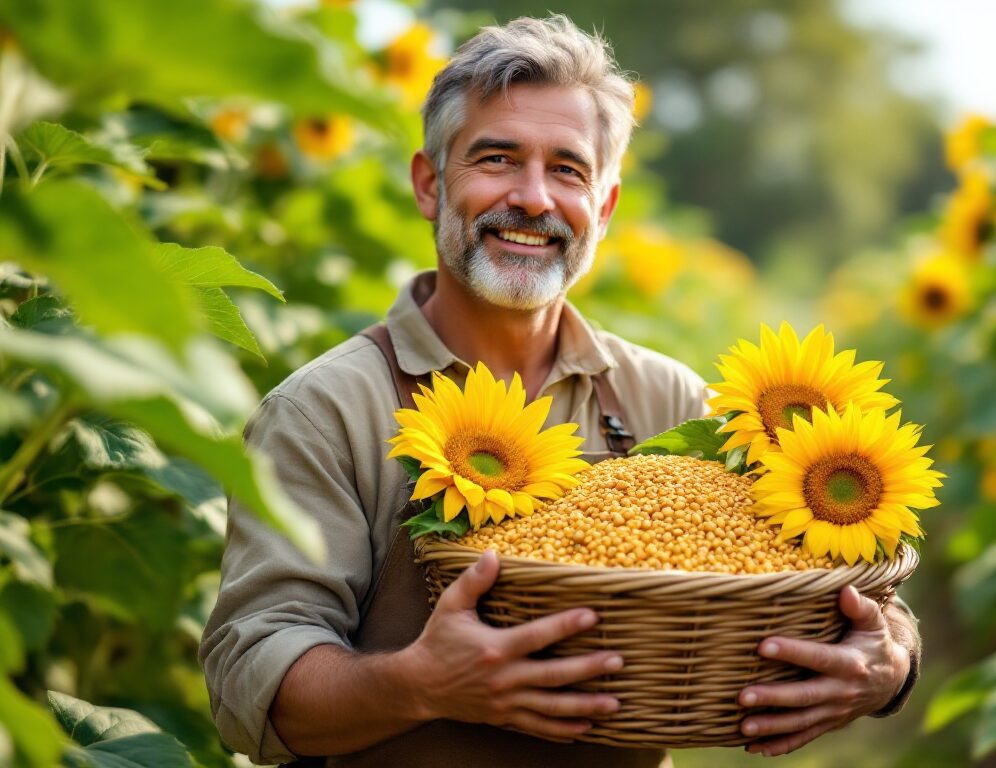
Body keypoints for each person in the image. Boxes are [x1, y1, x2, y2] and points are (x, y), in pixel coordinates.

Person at [200, 15, 921, 768]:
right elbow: (251, 684)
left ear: (603, 209)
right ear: (429, 184)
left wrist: (893, 662)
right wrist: (422, 684)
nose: (534, 198)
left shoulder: (664, 398)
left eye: (569, 170)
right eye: (497, 159)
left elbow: (845, 592)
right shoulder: (326, 412)